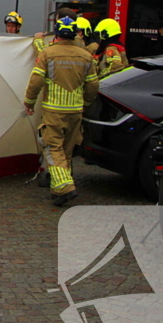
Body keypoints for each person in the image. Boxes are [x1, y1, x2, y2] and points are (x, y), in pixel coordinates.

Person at [24, 16, 99, 207]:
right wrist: (86, 102)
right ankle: (58, 190)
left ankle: (65, 187)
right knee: (66, 149)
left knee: (51, 147)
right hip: (75, 110)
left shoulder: (48, 54)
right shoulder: (85, 56)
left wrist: (29, 102)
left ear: (56, 33)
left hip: (54, 110)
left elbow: (36, 81)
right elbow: (92, 85)